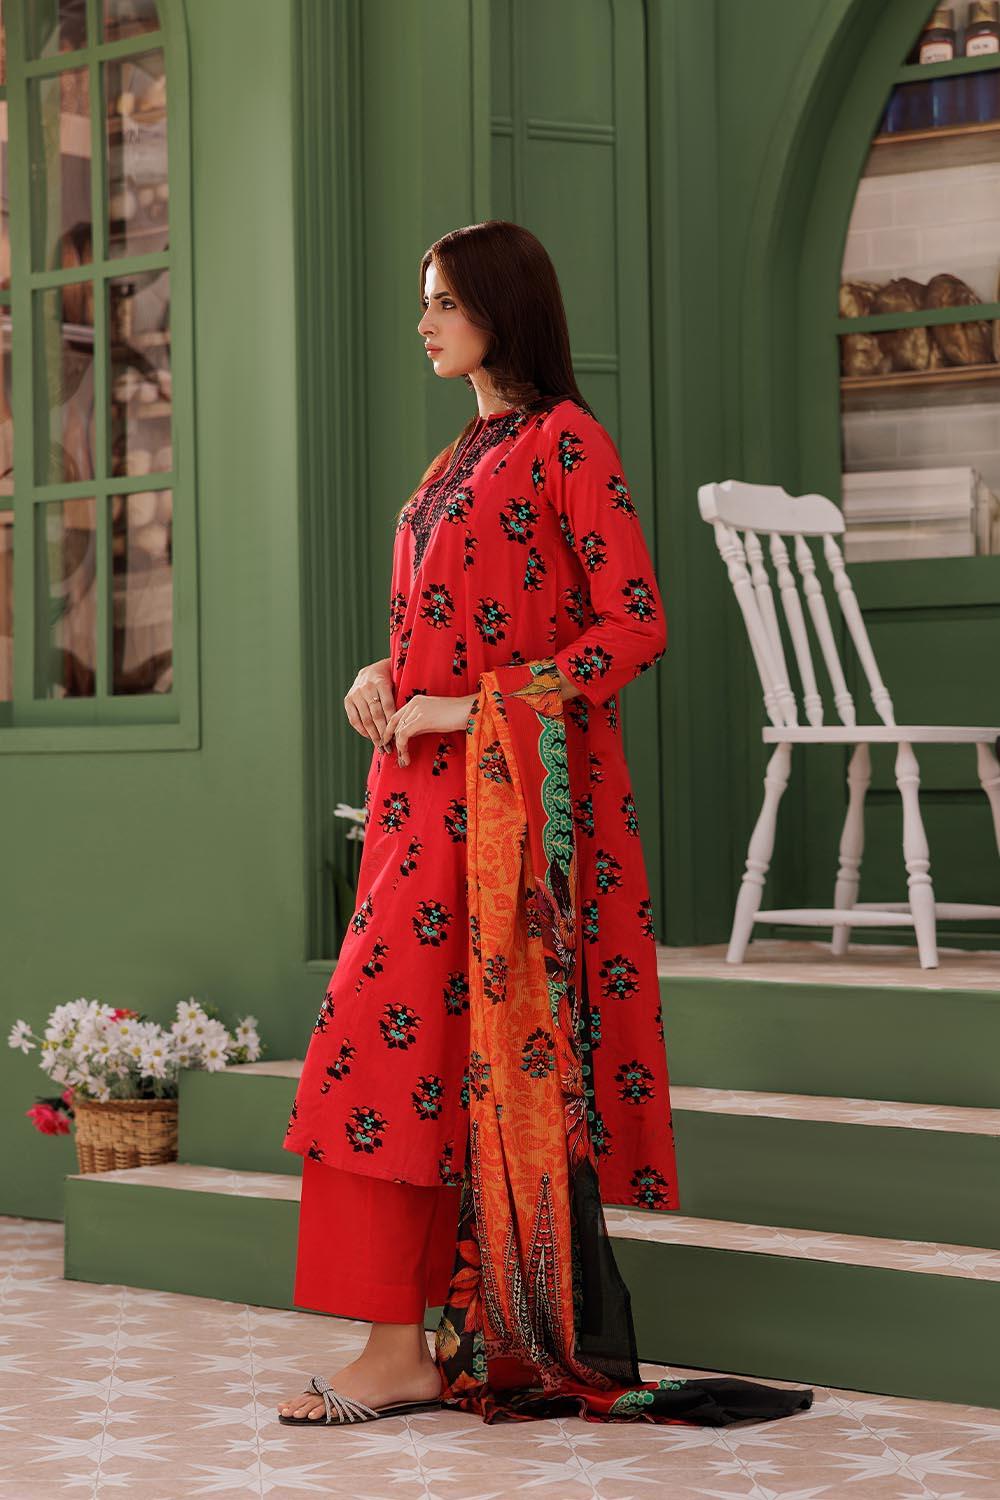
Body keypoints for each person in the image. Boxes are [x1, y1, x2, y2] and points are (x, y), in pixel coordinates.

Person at [278, 220, 812, 1428]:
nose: (423, 321)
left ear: (501, 307)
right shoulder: (457, 456)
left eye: (443, 300)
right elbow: (444, 618)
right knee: (385, 1056)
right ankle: (403, 1344)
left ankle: (400, 1352)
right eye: (423, 300)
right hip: (420, 798)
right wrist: (381, 672)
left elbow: (634, 625)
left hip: (505, 811)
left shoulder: (568, 440)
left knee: (388, 1053)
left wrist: (473, 704)